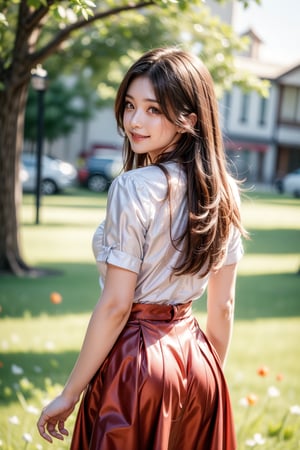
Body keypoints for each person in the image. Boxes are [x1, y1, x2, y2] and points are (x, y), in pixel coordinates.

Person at [37, 47, 246, 450]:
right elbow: (223, 307)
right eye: (130, 105)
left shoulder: (133, 186)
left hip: (138, 365)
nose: (134, 121)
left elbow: (117, 305)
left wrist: (69, 394)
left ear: (189, 119)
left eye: (153, 109)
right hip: (201, 362)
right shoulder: (223, 193)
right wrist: (205, 377)